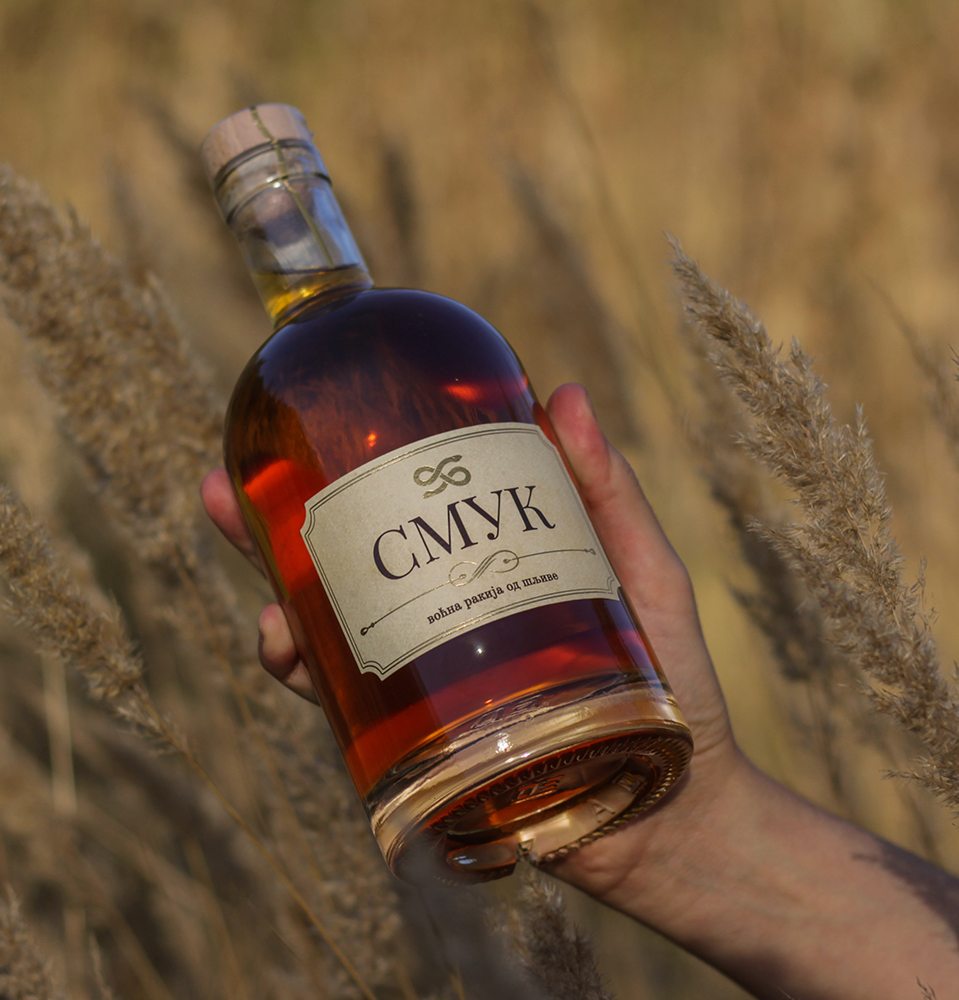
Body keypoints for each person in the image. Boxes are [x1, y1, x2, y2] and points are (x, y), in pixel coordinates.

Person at [201, 383, 959, 1000]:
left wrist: (694, 812)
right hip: (476, 768)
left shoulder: (429, 338)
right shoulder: (277, 396)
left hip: (608, 718)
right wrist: (697, 828)